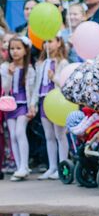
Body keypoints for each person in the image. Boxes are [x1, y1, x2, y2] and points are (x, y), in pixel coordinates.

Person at [1, 36, 37, 181]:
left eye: (18, 48)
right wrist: (9, 75)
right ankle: (19, 166)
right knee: (13, 135)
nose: (14, 52)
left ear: (25, 50)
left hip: (23, 104)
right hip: (10, 105)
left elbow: (33, 90)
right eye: (12, 49)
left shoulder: (29, 69)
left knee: (20, 132)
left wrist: (33, 106)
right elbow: (5, 89)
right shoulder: (4, 67)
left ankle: (24, 165)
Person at [34, 35, 69, 180]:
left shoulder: (63, 62)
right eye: (45, 42)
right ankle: (52, 166)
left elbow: (64, 82)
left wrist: (53, 77)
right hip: (43, 100)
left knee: (60, 135)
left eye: (50, 41)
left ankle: (63, 166)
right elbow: (37, 84)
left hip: (57, 101)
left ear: (59, 42)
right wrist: (33, 102)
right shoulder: (41, 63)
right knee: (49, 136)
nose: (47, 45)